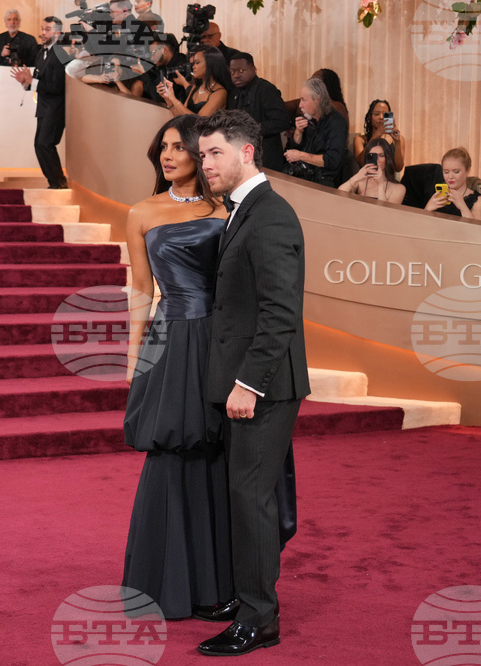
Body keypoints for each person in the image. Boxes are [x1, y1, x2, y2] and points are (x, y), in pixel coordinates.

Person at [196, 109, 309, 657]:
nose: (205, 164)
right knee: (241, 495)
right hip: (243, 381)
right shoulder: (246, 211)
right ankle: (246, 597)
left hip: (263, 386)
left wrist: (249, 384)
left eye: (214, 153)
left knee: (252, 497)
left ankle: (261, 619)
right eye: (201, 155)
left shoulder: (271, 216)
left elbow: (280, 313)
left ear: (246, 152)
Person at [122, 115, 233, 621]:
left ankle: (219, 585)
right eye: (161, 147)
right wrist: (133, 358)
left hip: (216, 337)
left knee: (217, 452)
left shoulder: (225, 209)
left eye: (177, 147)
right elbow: (142, 290)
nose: (167, 156)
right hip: (170, 337)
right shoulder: (142, 211)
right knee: (170, 448)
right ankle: (163, 583)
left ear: (199, 152)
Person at [11, 17, 69, 189]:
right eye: (42, 28)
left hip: (56, 108)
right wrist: (26, 82)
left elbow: (57, 86)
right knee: (39, 145)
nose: (43, 33)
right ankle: (55, 182)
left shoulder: (61, 54)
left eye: (48, 29)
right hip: (44, 106)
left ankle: (59, 182)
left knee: (45, 144)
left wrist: (32, 81)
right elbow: (38, 81)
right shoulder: (41, 52)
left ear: (57, 33)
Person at [227, 52, 292, 171]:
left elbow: (282, 121)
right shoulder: (234, 93)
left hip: (265, 156)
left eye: (241, 70)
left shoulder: (266, 89)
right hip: (242, 155)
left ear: (253, 69)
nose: (236, 75)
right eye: (232, 72)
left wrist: (251, 130)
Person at [283, 77, 348, 187]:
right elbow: (291, 150)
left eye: (304, 100)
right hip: (303, 175)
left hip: (324, 180)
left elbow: (332, 160)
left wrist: (300, 156)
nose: (300, 105)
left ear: (317, 99)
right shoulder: (307, 119)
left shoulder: (336, 122)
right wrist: (298, 132)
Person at [157, 46, 230, 117]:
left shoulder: (220, 92)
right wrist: (168, 99)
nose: (193, 67)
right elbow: (181, 117)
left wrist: (173, 98)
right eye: (193, 63)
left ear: (210, 64)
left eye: (197, 63)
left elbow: (199, 120)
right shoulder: (196, 87)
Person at [424, 147, 481, 221]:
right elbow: (423, 226)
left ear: (467, 170)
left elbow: (480, 231)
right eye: (446, 172)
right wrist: (428, 209)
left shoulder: (478, 201)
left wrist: (462, 207)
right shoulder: (438, 196)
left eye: (456, 172)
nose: (450, 177)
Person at [338, 138, 405, 203]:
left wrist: (381, 184)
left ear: (387, 158)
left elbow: (385, 211)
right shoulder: (360, 182)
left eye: (381, 155)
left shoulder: (398, 188)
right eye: (372, 156)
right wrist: (357, 176)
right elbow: (340, 193)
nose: (377, 160)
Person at [354, 99, 406, 172]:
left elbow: (398, 168)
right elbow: (361, 162)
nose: (381, 117)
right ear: (369, 117)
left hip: (388, 181)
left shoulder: (398, 139)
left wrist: (397, 142)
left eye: (385, 114)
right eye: (376, 114)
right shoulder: (359, 139)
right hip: (367, 180)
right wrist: (375, 136)